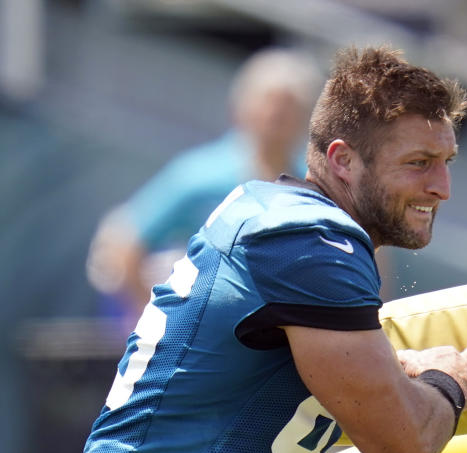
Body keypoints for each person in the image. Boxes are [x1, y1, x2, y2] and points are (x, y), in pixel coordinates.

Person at [25, 45, 467, 453]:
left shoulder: (289, 218)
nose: (442, 187)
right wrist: (448, 383)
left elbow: (242, 415)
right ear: (342, 160)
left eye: (446, 161)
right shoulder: (312, 242)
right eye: (418, 163)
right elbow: (402, 443)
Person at [86, 47, 322, 319]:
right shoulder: (199, 175)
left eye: (289, 108)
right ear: (242, 108)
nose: (275, 116)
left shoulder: (313, 182)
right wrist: (152, 321)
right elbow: (121, 243)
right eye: (269, 104)